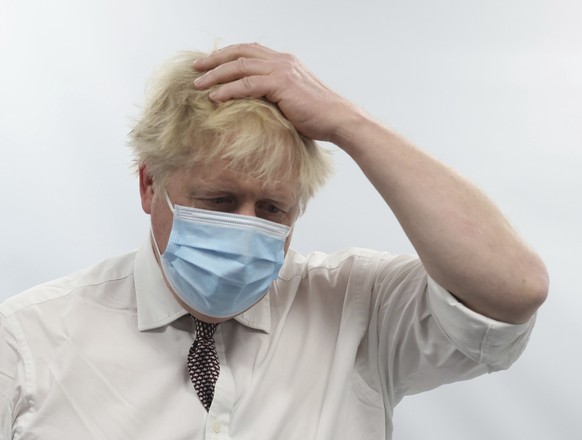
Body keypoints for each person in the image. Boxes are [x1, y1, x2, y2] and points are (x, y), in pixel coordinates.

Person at [0, 43, 548, 439]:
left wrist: (348, 124)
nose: (245, 225)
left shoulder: (361, 309)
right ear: (150, 186)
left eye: (272, 209)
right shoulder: (30, 340)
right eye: (218, 200)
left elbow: (514, 288)